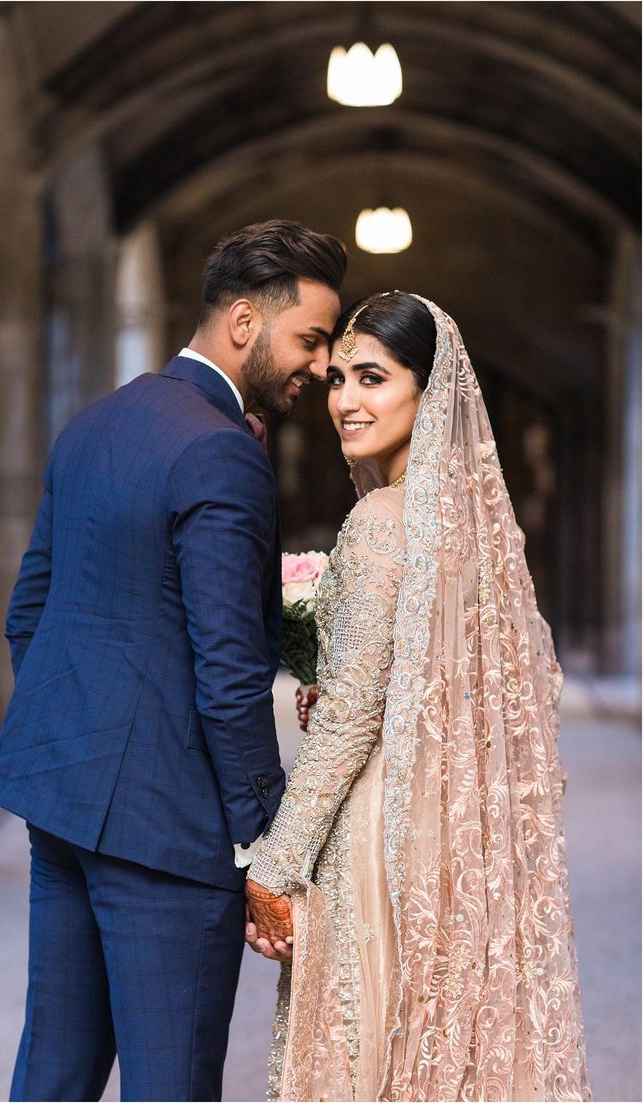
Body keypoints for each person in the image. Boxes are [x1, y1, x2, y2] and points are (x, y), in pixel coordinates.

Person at [0, 219, 346, 1103]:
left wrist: (82, 739)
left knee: (52, 1078)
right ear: (246, 324)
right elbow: (228, 672)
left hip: (62, 803)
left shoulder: (95, 422)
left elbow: (29, 611)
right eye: (312, 339)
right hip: (167, 832)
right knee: (170, 1084)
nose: (323, 366)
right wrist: (267, 842)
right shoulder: (223, 449)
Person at [245, 291, 591, 1102]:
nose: (345, 400)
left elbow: (349, 724)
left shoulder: (379, 524)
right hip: (457, 834)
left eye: (371, 377)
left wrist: (276, 863)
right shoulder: (472, 530)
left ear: (428, 393)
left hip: (380, 834)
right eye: (337, 379)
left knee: (374, 1053)